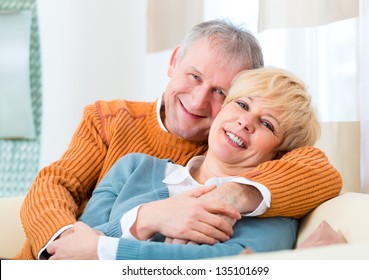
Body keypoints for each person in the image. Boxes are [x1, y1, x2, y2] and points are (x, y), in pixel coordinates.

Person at [15, 19, 341, 260]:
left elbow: (317, 168)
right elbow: (52, 186)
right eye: (194, 76)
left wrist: (227, 195)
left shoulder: (232, 152)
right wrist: (71, 246)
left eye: (220, 92)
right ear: (173, 62)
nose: (199, 101)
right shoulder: (113, 125)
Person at [48, 67, 321, 260]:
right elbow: (76, 245)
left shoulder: (273, 213)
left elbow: (223, 264)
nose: (245, 122)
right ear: (221, 110)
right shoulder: (133, 168)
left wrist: (105, 251)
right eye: (242, 105)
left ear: (279, 153)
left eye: (266, 124)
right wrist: (146, 219)